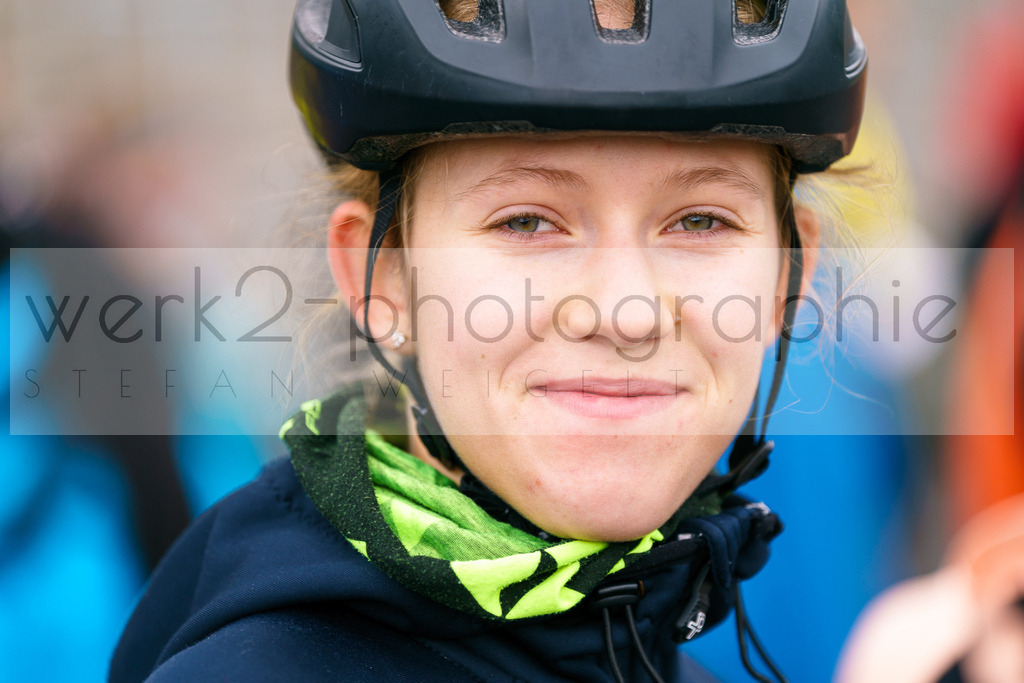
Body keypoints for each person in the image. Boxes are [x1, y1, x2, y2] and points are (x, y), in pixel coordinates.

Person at [110, 0, 867, 680]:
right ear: (379, 279)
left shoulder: (658, 646)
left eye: (700, 221)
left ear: (788, 277)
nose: (628, 311)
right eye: (527, 221)